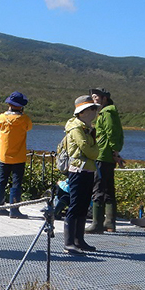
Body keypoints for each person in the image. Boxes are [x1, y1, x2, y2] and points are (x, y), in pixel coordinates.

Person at [62, 95, 101, 254]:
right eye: (92, 109)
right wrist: (96, 151)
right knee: (75, 205)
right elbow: (89, 150)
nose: (95, 112)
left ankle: (79, 240)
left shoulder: (86, 128)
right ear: (83, 112)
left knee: (84, 205)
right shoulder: (77, 129)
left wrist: (94, 152)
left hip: (88, 170)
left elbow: (92, 151)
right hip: (78, 170)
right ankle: (69, 242)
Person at [87, 87, 125, 233]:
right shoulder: (107, 112)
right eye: (93, 97)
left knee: (98, 187)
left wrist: (116, 153)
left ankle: (97, 224)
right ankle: (109, 222)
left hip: (103, 155)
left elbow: (113, 134)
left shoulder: (107, 113)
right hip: (105, 155)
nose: (94, 99)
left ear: (105, 99)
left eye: (97, 97)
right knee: (108, 188)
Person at [0, 91, 34, 218]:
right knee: (16, 183)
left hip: (4, 156)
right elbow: (29, 128)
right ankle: (14, 210)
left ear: (9, 104)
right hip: (19, 156)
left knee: (2, 181)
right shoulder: (24, 119)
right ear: (21, 106)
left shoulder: (2, 118)